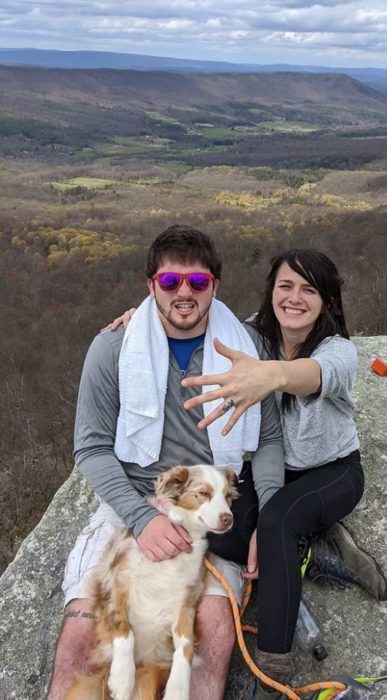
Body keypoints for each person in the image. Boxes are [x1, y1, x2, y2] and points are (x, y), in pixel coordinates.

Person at [47, 224, 284, 700]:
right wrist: (142, 519)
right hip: (132, 504)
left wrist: (271, 520)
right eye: (170, 281)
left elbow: (271, 439)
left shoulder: (246, 350)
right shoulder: (113, 349)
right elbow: (91, 448)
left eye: (197, 282)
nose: (184, 293)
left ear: (214, 286)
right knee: (80, 636)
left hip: (211, 505)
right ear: (150, 284)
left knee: (213, 632)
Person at [180, 249, 387, 699]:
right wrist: (133, 320)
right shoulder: (251, 332)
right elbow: (191, 313)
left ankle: (274, 672)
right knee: (223, 533)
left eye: (309, 290)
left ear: (327, 301)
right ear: (271, 291)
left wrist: (270, 375)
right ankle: (317, 541)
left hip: (332, 472)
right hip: (272, 472)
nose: (295, 298)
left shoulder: (338, 352)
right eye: (286, 286)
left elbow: (309, 375)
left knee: (276, 523)